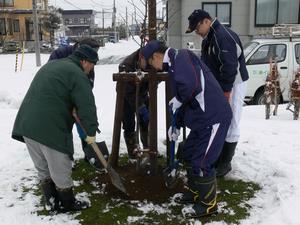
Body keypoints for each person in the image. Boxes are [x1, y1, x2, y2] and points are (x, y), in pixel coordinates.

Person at [140, 40, 232, 217]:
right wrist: (176, 126)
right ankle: (195, 193)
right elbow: (185, 99)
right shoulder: (174, 65)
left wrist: (179, 99)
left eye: (152, 63)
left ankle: (208, 204)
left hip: (213, 118)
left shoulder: (181, 56)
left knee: (203, 162)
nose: (156, 68)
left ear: (157, 56)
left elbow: (189, 88)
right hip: (201, 120)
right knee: (188, 154)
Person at [12, 45, 99, 213]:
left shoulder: (52, 65)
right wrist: (91, 133)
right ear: (84, 61)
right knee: (60, 165)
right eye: (92, 65)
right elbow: (87, 107)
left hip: (27, 124)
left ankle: (51, 200)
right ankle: (67, 203)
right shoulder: (78, 74)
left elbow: (51, 92)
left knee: (43, 165)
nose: (92, 69)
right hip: (50, 126)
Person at [186, 9, 249, 177]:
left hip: (234, 83)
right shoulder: (210, 37)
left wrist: (226, 91)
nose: (197, 33)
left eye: (197, 28)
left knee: (232, 118)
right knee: (221, 119)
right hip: (222, 85)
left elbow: (229, 67)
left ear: (206, 21)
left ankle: (225, 162)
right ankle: (219, 156)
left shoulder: (222, 36)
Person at [49, 38, 100, 161]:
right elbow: (52, 77)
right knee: (63, 128)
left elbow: (87, 85)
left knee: (83, 123)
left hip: (76, 98)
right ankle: (66, 158)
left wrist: (79, 103)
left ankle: (89, 155)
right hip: (59, 100)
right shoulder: (59, 54)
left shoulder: (88, 62)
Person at [118, 49, 149, 159]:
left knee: (146, 121)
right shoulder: (127, 66)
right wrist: (140, 106)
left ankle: (148, 149)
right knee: (128, 123)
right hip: (126, 95)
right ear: (141, 58)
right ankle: (133, 152)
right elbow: (128, 91)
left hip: (143, 92)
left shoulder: (152, 59)